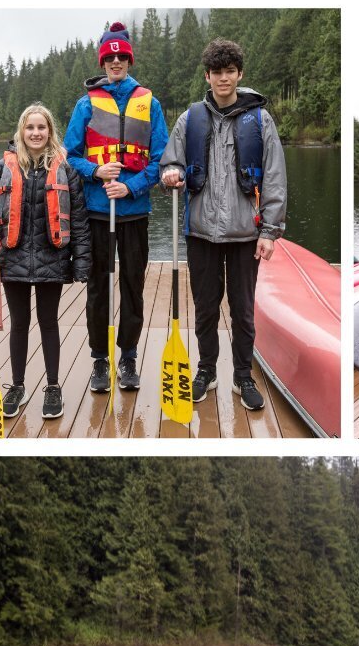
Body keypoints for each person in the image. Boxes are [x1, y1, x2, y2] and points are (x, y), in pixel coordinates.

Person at [160, 37, 288, 412]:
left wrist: (270, 231)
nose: (223, 79)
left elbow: (276, 178)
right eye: (217, 72)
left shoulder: (261, 120)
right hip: (201, 232)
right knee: (205, 307)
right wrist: (171, 173)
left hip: (246, 233)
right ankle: (206, 370)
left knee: (243, 310)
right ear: (208, 75)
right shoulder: (190, 119)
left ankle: (243, 376)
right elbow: (171, 161)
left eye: (230, 72)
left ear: (239, 74)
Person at [0, 104, 91, 421]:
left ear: (50, 131)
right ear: (21, 132)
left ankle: (52, 387)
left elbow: (78, 221)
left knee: (49, 322)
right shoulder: (1, 169)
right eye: (30, 128)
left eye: (42, 127)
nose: (36, 133)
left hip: (52, 258)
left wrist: (82, 264)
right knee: (19, 325)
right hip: (13, 259)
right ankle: (18, 386)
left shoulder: (66, 169)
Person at [64, 21, 168, 396]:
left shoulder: (149, 103)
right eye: (110, 57)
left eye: (122, 56)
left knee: (133, 287)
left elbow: (161, 159)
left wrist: (131, 185)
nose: (116, 62)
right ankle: (99, 359)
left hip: (135, 211)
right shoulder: (85, 104)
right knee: (98, 287)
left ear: (129, 59)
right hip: (96, 211)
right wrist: (96, 171)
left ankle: (127, 356)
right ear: (103, 62)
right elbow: (70, 156)